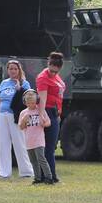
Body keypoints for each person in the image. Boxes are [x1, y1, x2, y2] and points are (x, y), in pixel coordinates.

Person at [0, 58, 33, 180]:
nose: (13, 71)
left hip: (16, 116)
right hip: (3, 115)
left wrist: (19, 90)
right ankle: (4, 172)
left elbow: (28, 101)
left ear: (19, 70)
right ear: (7, 70)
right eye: (10, 68)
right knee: (3, 143)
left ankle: (26, 171)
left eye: (15, 68)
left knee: (19, 143)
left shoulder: (24, 83)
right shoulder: (4, 83)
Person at [36, 51, 66, 183]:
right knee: (47, 147)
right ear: (48, 64)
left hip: (55, 113)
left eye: (56, 70)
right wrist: (43, 116)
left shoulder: (57, 77)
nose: (53, 73)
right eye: (51, 70)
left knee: (51, 146)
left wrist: (58, 114)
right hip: (47, 112)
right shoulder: (43, 77)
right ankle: (48, 176)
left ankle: (48, 175)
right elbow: (42, 99)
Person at [18, 89, 54, 185]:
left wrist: (44, 123)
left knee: (41, 159)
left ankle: (49, 177)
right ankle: (37, 178)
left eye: (33, 103)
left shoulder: (40, 111)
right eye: (28, 103)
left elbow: (48, 123)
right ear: (25, 102)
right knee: (33, 161)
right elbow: (21, 127)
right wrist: (23, 121)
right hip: (29, 141)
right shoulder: (23, 113)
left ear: (37, 101)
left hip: (39, 140)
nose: (31, 105)